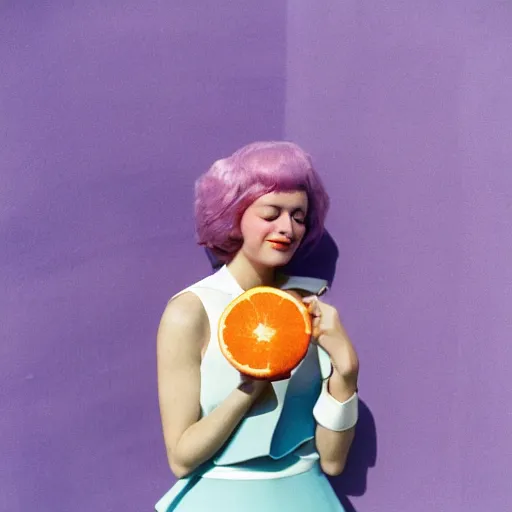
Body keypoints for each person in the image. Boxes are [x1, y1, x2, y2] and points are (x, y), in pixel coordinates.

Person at [155, 141, 359, 511]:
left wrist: (346, 372)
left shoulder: (310, 307)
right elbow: (181, 459)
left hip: (307, 497)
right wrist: (249, 388)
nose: (288, 228)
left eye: (299, 217)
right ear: (234, 215)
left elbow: (332, 460)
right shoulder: (190, 311)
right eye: (271, 213)